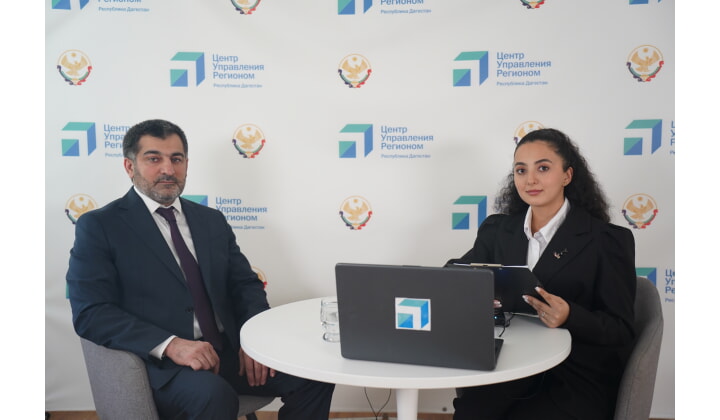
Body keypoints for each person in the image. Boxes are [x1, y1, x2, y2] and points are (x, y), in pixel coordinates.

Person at [67, 119, 335, 420]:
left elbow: (244, 285)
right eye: (154, 159)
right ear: (130, 167)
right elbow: (91, 312)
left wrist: (254, 341)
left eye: (176, 159)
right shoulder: (101, 226)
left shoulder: (211, 220)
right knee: (213, 396)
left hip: (227, 351)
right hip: (162, 364)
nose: (168, 169)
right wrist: (171, 345)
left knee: (314, 375)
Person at [448, 128, 636, 420]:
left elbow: (621, 329)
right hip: (508, 366)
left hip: (573, 375)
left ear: (567, 176)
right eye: (521, 170)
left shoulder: (606, 240)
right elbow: (457, 276)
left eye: (543, 168)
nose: (530, 180)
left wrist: (570, 315)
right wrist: (476, 294)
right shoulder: (497, 231)